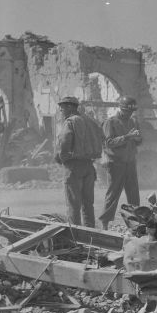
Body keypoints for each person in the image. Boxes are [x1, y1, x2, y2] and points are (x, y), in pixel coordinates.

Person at [55, 96, 101, 227]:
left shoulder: (70, 121)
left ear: (70, 107)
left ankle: (75, 236)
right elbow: (101, 138)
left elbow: (64, 142)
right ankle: (90, 234)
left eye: (62, 108)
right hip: (89, 166)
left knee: (73, 205)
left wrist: (62, 158)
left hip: (74, 167)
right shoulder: (90, 121)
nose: (61, 111)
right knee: (88, 203)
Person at [98, 96, 142, 231]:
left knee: (133, 194)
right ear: (120, 109)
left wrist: (138, 138)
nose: (129, 114)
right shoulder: (110, 122)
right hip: (116, 163)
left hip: (130, 162)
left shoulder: (133, 121)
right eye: (127, 111)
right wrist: (127, 137)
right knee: (113, 194)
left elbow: (138, 141)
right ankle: (104, 223)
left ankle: (135, 224)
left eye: (131, 112)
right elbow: (108, 143)